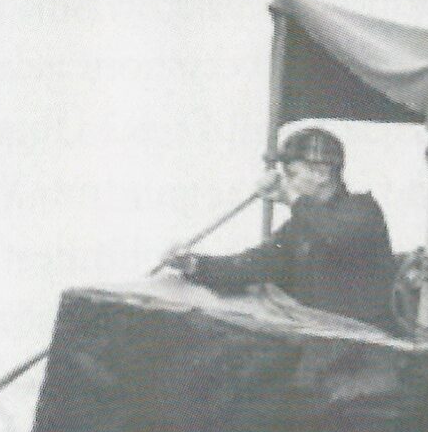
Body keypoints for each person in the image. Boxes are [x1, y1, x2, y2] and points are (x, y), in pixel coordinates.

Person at [162, 127, 396, 330]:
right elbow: (255, 264)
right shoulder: (300, 227)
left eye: (292, 174)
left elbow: (336, 236)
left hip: (369, 349)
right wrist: (193, 264)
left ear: (322, 173)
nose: (288, 182)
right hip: (322, 343)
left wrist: (292, 198)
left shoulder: (363, 211)